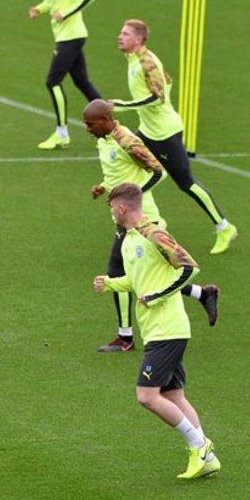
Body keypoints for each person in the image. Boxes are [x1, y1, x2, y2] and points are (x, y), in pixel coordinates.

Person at [94, 183, 220, 479]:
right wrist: (110, 283)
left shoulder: (153, 234)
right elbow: (139, 281)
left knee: (147, 396)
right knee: (174, 394)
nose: (110, 212)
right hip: (156, 331)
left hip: (168, 330)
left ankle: (198, 446)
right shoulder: (127, 240)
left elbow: (190, 268)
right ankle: (208, 457)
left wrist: (158, 296)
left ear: (122, 208)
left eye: (112, 206)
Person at [83, 100, 218, 352]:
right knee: (146, 273)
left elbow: (158, 171)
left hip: (141, 220)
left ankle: (125, 338)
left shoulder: (127, 140)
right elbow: (119, 171)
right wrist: (104, 186)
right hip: (126, 217)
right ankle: (203, 293)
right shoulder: (104, 140)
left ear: (105, 119)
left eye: (90, 124)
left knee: (117, 270)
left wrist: (133, 199)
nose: (87, 129)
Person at [107, 19, 238, 254]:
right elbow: (167, 81)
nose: (120, 36)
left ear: (138, 39)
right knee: (130, 167)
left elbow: (157, 98)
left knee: (186, 182)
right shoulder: (134, 59)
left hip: (165, 133)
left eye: (125, 34)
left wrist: (120, 105)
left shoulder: (147, 62)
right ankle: (150, 223)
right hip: (147, 131)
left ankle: (224, 227)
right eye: (121, 32)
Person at [25, 0, 100, 150]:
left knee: (53, 81)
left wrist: (65, 14)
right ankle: (111, 124)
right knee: (82, 82)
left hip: (72, 35)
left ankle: (62, 133)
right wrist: (39, 9)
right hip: (63, 35)